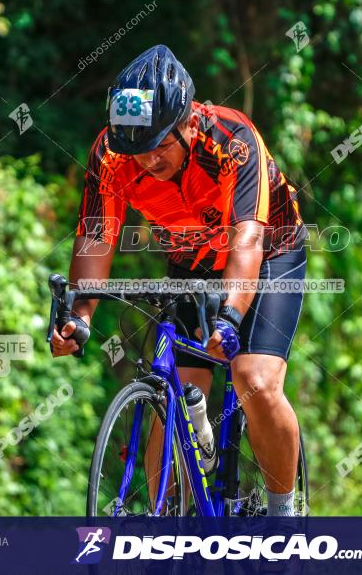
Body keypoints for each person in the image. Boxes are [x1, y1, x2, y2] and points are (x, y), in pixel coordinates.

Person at [50, 44, 309, 516]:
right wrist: (81, 314)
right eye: (136, 149)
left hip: (268, 250)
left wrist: (230, 317)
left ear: (189, 121)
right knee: (173, 395)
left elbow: (247, 241)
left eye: (158, 145)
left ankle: (284, 517)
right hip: (192, 259)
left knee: (253, 379)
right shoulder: (112, 153)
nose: (146, 160)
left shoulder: (233, 141)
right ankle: (166, 528)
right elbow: (96, 236)